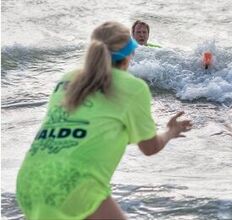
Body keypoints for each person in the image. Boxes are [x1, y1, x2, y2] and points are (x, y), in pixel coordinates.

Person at [16, 21, 192, 220]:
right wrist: (170, 132)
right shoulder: (133, 87)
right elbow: (149, 147)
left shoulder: (67, 79)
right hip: (76, 183)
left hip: (29, 181)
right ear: (128, 55)